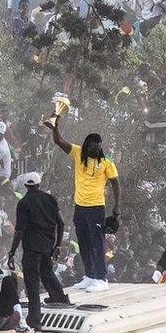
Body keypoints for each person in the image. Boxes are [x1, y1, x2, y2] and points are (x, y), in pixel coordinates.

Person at [45, 115, 120, 292]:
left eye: (99, 147)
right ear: (87, 146)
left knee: (97, 242)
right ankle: (90, 275)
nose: (96, 150)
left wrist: (117, 206)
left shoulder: (106, 162)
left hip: (96, 208)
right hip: (80, 207)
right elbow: (59, 141)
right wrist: (55, 127)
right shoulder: (78, 153)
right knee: (83, 241)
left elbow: (115, 183)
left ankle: (101, 278)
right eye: (94, 147)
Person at [7, 172, 69, 331]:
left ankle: (35, 319)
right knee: (47, 272)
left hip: (32, 248)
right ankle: (60, 298)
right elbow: (61, 223)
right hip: (48, 246)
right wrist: (57, 245)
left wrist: (12, 252)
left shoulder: (24, 202)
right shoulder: (50, 199)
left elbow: (20, 230)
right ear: (38, 184)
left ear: (26, 186)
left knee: (32, 282)